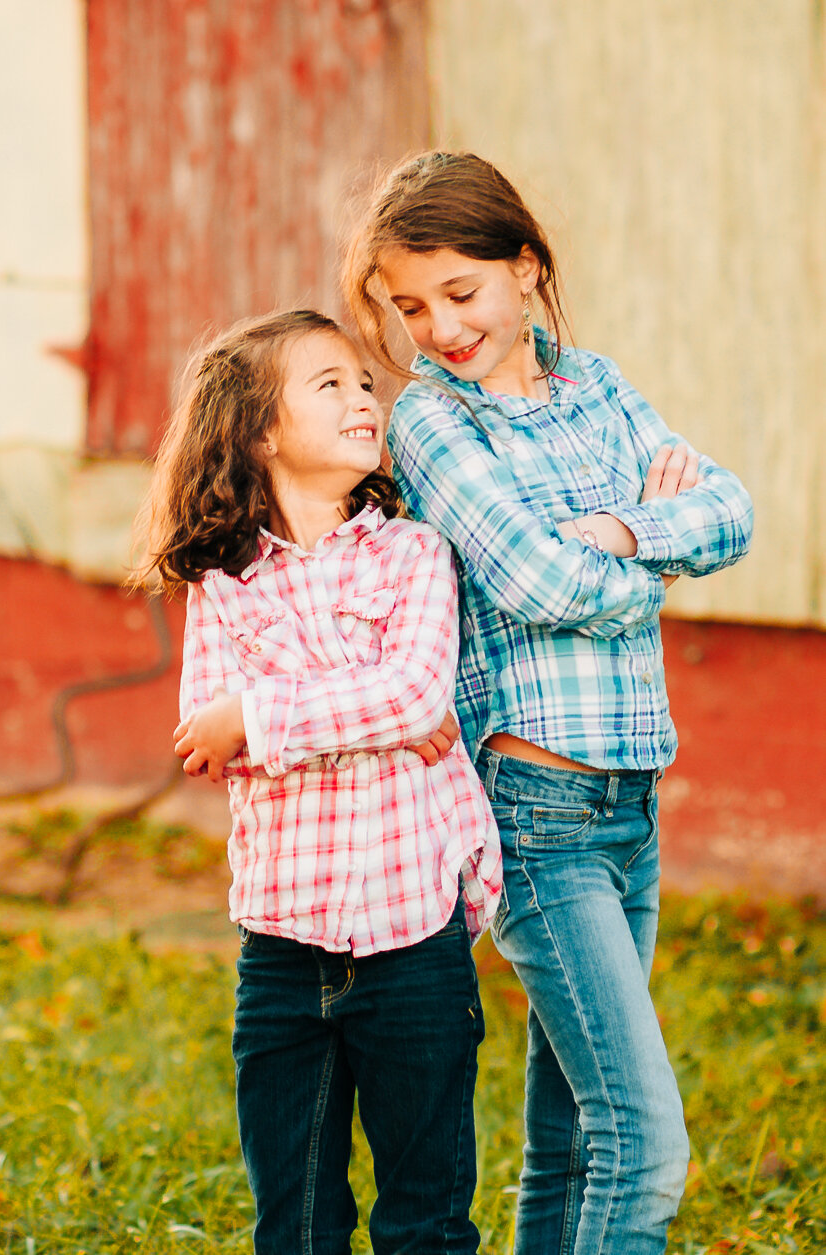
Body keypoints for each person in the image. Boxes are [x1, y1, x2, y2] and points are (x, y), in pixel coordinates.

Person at [342, 150, 754, 1255]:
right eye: (411, 306)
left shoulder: (601, 386)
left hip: (631, 806)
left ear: (525, 269)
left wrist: (625, 532)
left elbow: (730, 509)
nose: (437, 326)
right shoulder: (434, 423)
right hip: (536, 814)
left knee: (570, 1134)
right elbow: (533, 582)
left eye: (459, 292)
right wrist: (658, 565)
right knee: (644, 1140)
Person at [135, 308, 502, 1255]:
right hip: (282, 952)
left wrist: (265, 710)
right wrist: (370, 715)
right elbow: (205, 740)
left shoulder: (416, 556)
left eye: (364, 382)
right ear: (260, 430)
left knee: (425, 1216)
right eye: (328, 383)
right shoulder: (220, 583)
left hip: (413, 943)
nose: (363, 396)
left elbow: (415, 692)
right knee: (294, 1221)